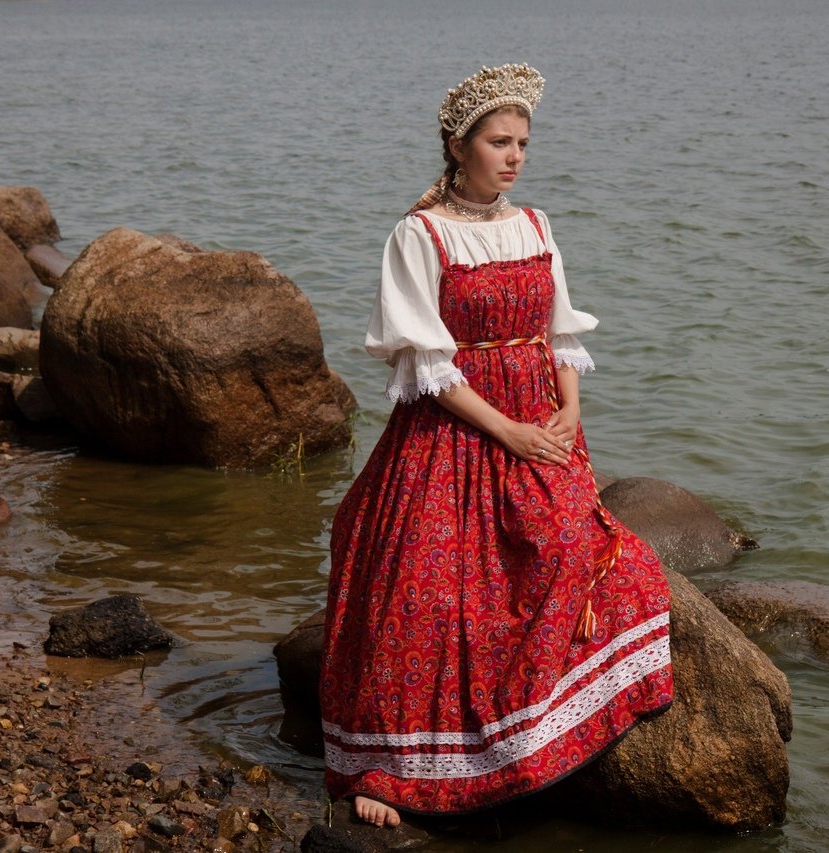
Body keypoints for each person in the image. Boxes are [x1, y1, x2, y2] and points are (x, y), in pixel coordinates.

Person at [321, 63, 674, 829]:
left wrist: (566, 415)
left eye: (523, 142)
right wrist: (507, 429)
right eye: (498, 142)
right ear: (458, 145)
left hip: (541, 426)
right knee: (424, 595)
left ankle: (549, 733)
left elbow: (560, 332)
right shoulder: (419, 235)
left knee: (612, 566)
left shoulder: (536, 226)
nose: (514, 156)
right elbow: (425, 364)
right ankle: (395, 769)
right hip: (455, 430)